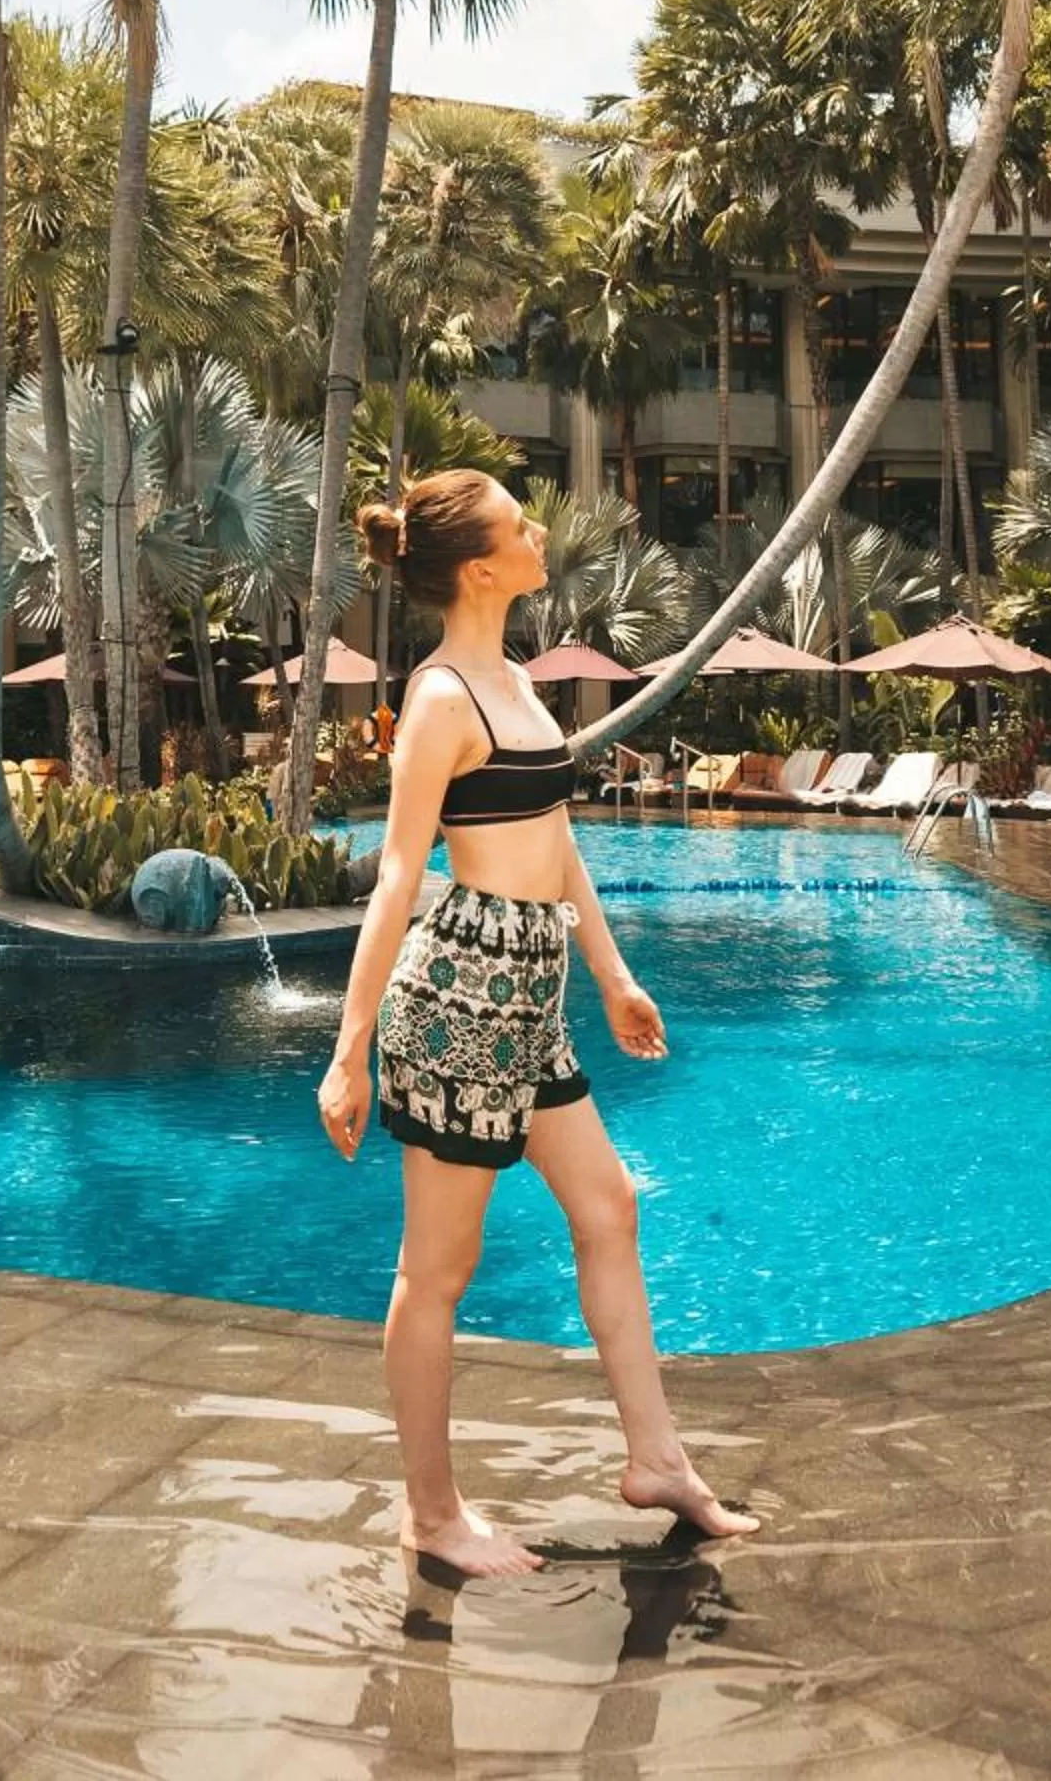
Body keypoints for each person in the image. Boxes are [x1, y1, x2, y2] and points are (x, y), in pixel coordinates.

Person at [317, 468, 758, 1578]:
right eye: (522, 525)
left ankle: (656, 1459)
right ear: (480, 567)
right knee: (439, 1270)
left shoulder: (515, 681)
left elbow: (557, 844)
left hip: (533, 994)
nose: (540, 532)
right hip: (460, 999)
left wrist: (612, 975)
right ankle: (432, 1514)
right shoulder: (438, 701)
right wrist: (347, 1050)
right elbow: (397, 876)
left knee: (609, 1206)